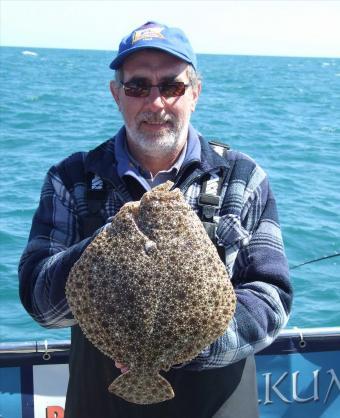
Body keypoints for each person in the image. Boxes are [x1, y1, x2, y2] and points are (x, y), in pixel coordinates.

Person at [19, 21, 292, 418]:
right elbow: (39, 303)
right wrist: (106, 243)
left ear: (194, 93)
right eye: (138, 87)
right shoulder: (70, 179)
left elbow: (272, 297)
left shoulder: (243, 179)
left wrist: (195, 347)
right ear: (117, 95)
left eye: (171, 86)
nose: (156, 102)